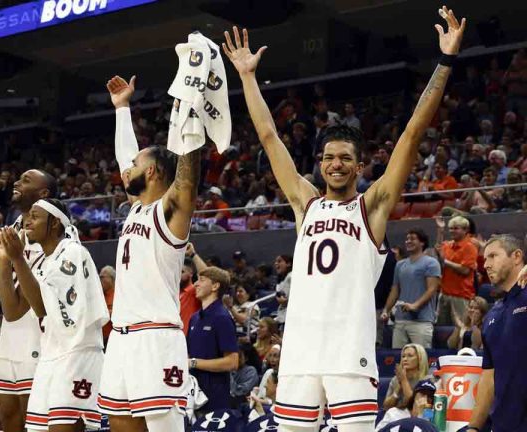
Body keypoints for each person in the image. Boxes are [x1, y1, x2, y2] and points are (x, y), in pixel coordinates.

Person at [222, 7, 465, 429]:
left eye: (345, 159)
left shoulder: (371, 207)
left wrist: (443, 62)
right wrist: (246, 76)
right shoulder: (306, 203)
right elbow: (267, 135)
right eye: (329, 157)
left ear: (359, 166)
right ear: (320, 163)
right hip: (299, 349)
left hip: (348, 351)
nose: (336, 164)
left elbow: (412, 132)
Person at [100, 73, 201, 432]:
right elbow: (126, 156)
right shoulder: (136, 208)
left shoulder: (169, 214)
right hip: (121, 339)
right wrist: (122, 109)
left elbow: (187, 179)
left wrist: (190, 115)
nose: (126, 169)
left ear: (154, 172)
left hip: (156, 338)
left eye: (136, 166)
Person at [0, 198, 108, 431]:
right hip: (50, 355)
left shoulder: (73, 252)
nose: (28, 221)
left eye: (35, 216)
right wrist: (5, 262)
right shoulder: (45, 262)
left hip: (77, 355)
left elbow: (40, 307)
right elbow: (13, 312)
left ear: (55, 223)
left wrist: (17, 258)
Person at [0, 168, 57, 432]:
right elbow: (7, 304)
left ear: (44, 194)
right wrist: (3, 263)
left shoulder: (55, 237)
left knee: (34, 418)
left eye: (26, 180)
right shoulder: (12, 231)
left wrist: (10, 261)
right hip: (9, 335)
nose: (16, 181)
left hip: (38, 336)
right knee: (9, 416)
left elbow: (19, 308)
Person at [467, 235, 527, 432]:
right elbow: (488, 378)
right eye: (485, 259)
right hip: (503, 424)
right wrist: (474, 427)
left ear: (517, 256)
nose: (487, 265)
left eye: (493, 256)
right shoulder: (493, 314)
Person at [187, 267, 239, 413]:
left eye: (202, 280)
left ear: (215, 286)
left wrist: (193, 363)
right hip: (193, 392)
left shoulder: (222, 317)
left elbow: (232, 362)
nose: (196, 284)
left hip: (215, 397)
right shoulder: (194, 318)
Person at [381, 229, 441, 349]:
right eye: (407, 239)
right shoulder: (400, 264)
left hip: (422, 321)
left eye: (412, 238)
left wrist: (415, 305)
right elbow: (395, 290)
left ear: (422, 242)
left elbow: (432, 289)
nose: (408, 241)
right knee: (398, 359)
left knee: (421, 359)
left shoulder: (431, 263)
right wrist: (386, 310)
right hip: (400, 320)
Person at [435, 216, 478, 326]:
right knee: (441, 328)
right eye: (451, 228)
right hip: (444, 294)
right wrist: (440, 230)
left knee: (461, 329)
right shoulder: (447, 245)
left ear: (465, 230)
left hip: (461, 296)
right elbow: (438, 250)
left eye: (456, 228)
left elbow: (465, 270)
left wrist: (446, 262)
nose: (452, 231)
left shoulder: (470, 247)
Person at [381, 344, 432, 410]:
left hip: (421, 416)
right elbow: (386, 407)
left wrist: (403, 381)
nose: (405, 359)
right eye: (403, 356)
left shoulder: (428, 380)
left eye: (410, 356)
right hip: (397, 416)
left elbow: (414, 406)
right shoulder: (396, 379)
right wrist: (397, 389)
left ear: (420, 358)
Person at [272, 255, 292, 326]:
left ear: (288, 264)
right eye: (276, 262)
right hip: (282, 315)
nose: (276, 263)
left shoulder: (292, 276)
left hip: (291, 315)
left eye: (279, 261)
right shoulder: (280, 279)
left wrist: (286, 301)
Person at [99, 266, 115, 345]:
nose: (100, 280)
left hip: (112, 338)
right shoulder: (99, 296)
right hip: (100, 339)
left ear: (111, 278)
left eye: (102, 277)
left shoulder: (118, 296)